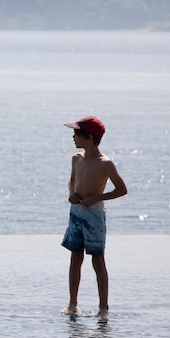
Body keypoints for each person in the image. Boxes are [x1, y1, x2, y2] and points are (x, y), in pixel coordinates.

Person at [61, 116, 127, 318]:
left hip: (94, 215)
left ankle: (103, 308)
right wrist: (71, 194)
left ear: (89, 137)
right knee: (75, 257)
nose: (73, 138)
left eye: (76, 134)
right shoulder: (76, 158)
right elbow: (72, 181)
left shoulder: (105, 163)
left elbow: (122, 189)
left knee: (97, 260)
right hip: (76, 213)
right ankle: (72, 304)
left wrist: (97, 197)